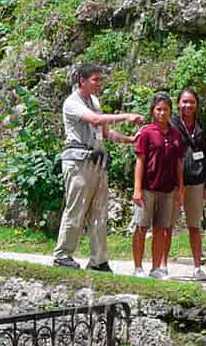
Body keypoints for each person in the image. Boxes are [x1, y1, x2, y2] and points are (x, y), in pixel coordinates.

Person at [53, 64, 142, 271]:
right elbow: (93, 120)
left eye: (100, 80)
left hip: (97, 161)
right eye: (95, 80)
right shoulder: (72, 103)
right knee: (76, 208)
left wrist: (130, 139)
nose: (99, 84)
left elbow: (105, 133)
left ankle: (98, 260)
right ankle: (63, 255)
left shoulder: (94, 101)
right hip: (78, 162)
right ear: (82, 81)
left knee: (100, 212)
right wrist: (125, 116)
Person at [131, 93, 184, 279]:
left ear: (171, 111)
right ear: (153, 111)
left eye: (166, 109)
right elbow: (140, 161)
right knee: (141, 226)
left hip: (168, 189)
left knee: (161, 228)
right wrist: (137, 189)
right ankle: (138, 267)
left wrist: (181, 188)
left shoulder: (175, 134)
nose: (162, 113)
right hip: (147, 187)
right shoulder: (146, 132)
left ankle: (156, 268)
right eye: (159, 109)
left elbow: (179, 163)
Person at [173, 88, 206, 280]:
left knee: (194, 226)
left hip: (197, 181)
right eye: (184, 102)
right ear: (178, 103)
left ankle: (198, 266)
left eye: (191, 102)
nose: (188, 105)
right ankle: (161, 267)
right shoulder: (172, 124)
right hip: (173, 183)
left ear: (196, 104)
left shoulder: (201, 126)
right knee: (165, 225)